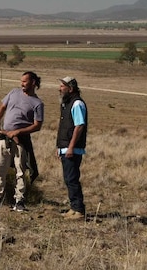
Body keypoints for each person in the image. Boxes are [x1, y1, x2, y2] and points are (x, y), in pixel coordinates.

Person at [0, 71, 44, 212]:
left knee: (21, 171)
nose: (22, 84)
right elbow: (2, 107)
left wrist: (19, 132)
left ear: (33, 83)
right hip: (4, 137)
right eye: (21, 81)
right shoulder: (13, 93)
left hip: (22, 141)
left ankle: (19, 200)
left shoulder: (37, 103)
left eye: (25, 81)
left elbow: (37, 125)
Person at [58, 76, 88, 220]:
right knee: (69, 179)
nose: (60, 89)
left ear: (70, 88)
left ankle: (79, 210)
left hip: (72, 149)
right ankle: (74, 208)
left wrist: (70, 147)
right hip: (66, 148)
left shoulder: (77, 104)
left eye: (63, 86)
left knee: (72, 178)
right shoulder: (67, 103)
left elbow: (79, 126)